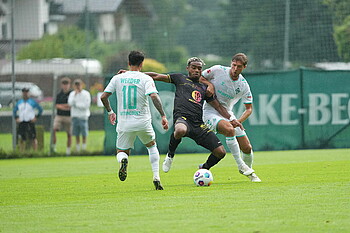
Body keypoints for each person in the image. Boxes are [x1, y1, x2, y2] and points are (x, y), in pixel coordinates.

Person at [143, 57, 247, 175]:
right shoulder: (180, 78)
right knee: (180, 130)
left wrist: (232, 119)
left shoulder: (205, 88)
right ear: (188, 68)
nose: (196, 70)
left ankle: (204, 168)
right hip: (182, 118)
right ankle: (170, 155)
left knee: (220, 152)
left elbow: (218, 107)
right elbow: (156, 76)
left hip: (198, 124)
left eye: (199, 68)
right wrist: (134, 74)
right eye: (194, 68)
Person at [100, 50, 169, 190]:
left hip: (124, 123)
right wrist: (162, 115)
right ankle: (156, 176)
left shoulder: (117, 78)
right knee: (151, 146)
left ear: (128, 63)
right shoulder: (145, 78)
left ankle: (124, 160)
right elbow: (154, 97)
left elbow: (103, 97)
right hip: (143, 122)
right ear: (142, 64)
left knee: (121, 152)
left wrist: (110, 112)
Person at [200, 53, 261, 182]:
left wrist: (238, 121)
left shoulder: (243, 85)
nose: (235, 69)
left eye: (239, 67)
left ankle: (247, 170)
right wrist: (209, 85)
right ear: (231, 63)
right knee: (229, 129)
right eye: (233, 65)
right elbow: (199, 77)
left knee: (247, 148)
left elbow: (249, 109)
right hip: (209, 111)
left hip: (227, 114)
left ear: (244, 67)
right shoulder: (218, 70)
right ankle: (240, 165)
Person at [13, 87, 43, 152]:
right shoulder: (19, 102)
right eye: (24, 92)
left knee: (33, 137)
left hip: (30, 121)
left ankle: (35, 151)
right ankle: (21, 151)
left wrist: (36, 117)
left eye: (26, 92)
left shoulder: (32, 102)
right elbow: (14, 110)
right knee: (21, 138)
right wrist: (16, 118)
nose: (25, 94)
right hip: (22, 121)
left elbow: (40, 109)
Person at [68, 79, 91, 153]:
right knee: (76, 134)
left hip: (83, 116)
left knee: (84, 133)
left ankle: (84, 148)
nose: (78, 87)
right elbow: (70, 103)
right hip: (75, 116)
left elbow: (86, 105)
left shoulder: (86, 94)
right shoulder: (72, 94)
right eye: (76, 85)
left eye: (79, 85)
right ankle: (78, 149)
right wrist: (75, 96)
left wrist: (77, 105)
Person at [53, 77, 72, 155]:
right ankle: (53, 148)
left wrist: (62, 106)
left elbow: (71, 105)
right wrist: (65, 106)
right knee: (54, 130)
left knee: (69, 133)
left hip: (69, 116)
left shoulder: (72, 94)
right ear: (61, 85)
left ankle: (68, 151)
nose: (65, 86)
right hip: (59, 115)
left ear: (69, 85)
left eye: (67, 84)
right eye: (64, 84)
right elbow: (57, 105)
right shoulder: (59, 94)